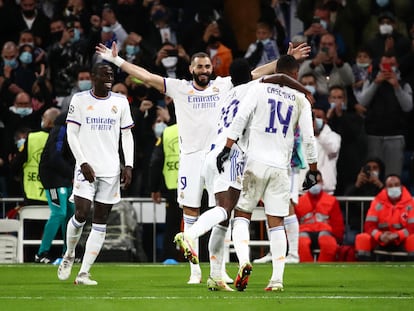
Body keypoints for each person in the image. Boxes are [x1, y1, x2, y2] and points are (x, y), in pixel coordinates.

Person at [95, 40, 310, 284]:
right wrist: (117, 61)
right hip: (190, 159)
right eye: (199, 67)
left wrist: (284, 59)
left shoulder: (224, 85)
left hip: (218, 155)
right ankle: (195, 271)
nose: (204, 70)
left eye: (208, 66)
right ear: (191, 69)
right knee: (191, 213)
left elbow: (254, 74)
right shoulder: (179, 88)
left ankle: (219, 269)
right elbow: (147, 76)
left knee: (222, 213)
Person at [216, 55, 318, 292]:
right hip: (281, 167)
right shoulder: (301, 99)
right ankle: (277, 280)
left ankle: (244, 261)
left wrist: (227, 147)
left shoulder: (259, 89)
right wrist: (313, 170)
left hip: (255, 162)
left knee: (241, 215)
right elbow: (309, 137)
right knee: (276, 222)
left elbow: (240, 118)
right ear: (295, 74)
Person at [57, 62, 134, 286]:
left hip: (110, 170)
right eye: (105, 74)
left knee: (100, 221)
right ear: (93, 77)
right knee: (81, 213)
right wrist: (82, 162)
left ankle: (84, 273)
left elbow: (127, 135)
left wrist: (128, 165)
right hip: (86, 168)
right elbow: (72, 133)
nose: (109, 77)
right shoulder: (80, 100)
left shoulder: (120, 102)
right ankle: (69, 254)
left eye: (111, 74)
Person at [359, 52, 413, 177]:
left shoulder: (404, 84)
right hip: (373, 136)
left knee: (393, 176)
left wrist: (396, 86)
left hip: (395, 137)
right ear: (380, 65)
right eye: (385, 64)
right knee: (372, 176)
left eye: (392, 64)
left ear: (397, 65)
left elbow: (408, 107)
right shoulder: (371, 80)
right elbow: (362, 102)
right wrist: (376, 83)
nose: (388, 67)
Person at [35, 111, 75, 263]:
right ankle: (41, 253)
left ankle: (68, 253)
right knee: (59, 213)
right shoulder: (61, 130)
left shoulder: (72, 130)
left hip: (64, 177)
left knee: (71, 214)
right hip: (53, 178)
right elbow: (55, 157)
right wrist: (71, 173)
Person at [355, 174, 414, 260]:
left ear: (401, 187)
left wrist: (397, 235)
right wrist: (380, 236)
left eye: (396, 185)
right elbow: (369, 226)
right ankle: (365, 270)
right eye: (390, 186)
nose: (394, 188)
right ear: (385, 188)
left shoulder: (411, 203)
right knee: (362, 238)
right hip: (381, 240)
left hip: (402, 240)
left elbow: (412, 228)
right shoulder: (377, 202)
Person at [10, 107, 60, 205]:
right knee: (55, 216)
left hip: (32, 193)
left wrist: (14, 170)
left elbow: (18, 162)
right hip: (54, 194)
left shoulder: (33, 137)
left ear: (49, 121)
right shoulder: (64, 139)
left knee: (31, 216)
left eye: (44, 118)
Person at [295, 170, 344, 262]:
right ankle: (307, 271)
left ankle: (323, 270)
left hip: (325, 232)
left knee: (328, 244)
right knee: (301, 244)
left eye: (317, 182)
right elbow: (293, 224)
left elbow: (338, 224)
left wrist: (338, 239)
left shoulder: (331, 201)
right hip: (304, 232)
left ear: (322, 182)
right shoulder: (299, 202)